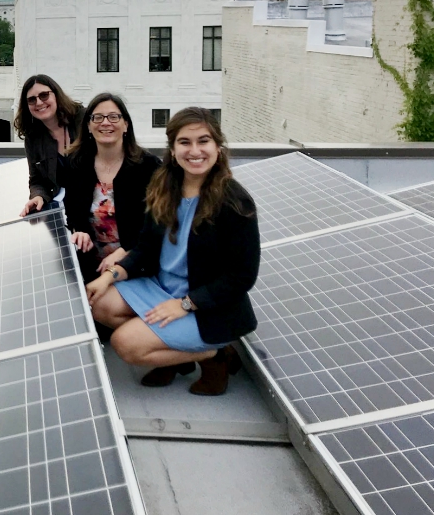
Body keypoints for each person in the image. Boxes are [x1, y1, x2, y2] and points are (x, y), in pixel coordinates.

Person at [90, 107, 260, 396]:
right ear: (173, 148)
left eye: (203, 141)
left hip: (206, 306)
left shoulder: (235, 202)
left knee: (125, 344)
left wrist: (185, 304)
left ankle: (215, 355)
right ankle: (171, 351)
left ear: (217, 147)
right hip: (161, 288)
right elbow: (145, 248)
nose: (195, 151)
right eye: (185, 142)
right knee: (98, 301)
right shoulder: (165, 187)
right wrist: (110, 275)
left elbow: (242, 276)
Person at [63, 93, 160, 283]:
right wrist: (79, 230)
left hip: (135, 264)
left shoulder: (148, 167)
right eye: (97, 117)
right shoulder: (76, 164)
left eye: (113, 117)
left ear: (125, 125)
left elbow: (156, 223)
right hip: (89, 265)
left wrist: (126, 252)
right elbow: (72, 211)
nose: (105, 123)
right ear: (89, 126)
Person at [15, 74, 84, 217]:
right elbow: (37, 180)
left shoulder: (83, 119)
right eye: (32, 100)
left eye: (44, 95)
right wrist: (38, 196)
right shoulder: (33, 138)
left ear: (56, 95)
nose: (39, 103)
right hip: (66, 207)